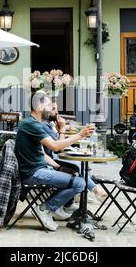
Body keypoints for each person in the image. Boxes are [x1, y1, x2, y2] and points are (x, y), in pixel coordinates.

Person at [14, 91, 94, 231]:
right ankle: (44, 209)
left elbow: (42, 154)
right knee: (80, 183)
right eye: (48, 105)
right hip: (32, 173)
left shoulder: (32, 124)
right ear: (39, 107)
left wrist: (57, 167)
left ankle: (56, 207)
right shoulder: (32, 125)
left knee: (75, 173)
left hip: (37, 169)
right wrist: (80, 135)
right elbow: (55, 146)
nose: (51, 109)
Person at [41, 100, 108, 211]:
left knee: (80, 165)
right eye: (53, 109)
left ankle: (84, 193)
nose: (57, 112)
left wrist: (60, 130)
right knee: (77, 166)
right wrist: (62, 130)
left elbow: (57, 143)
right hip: (51, 160)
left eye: (56, 108)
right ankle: (93, 191)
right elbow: (59, 148)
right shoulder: (43, 125)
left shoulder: (47, 125)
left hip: (54, 157)